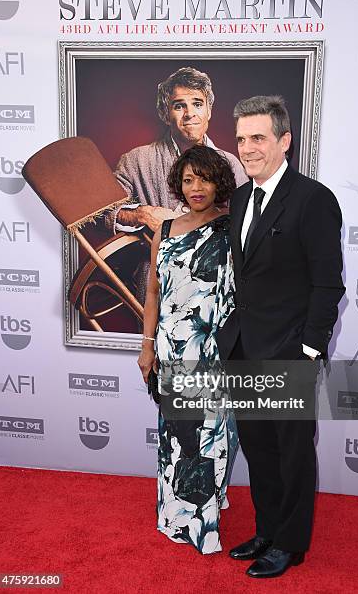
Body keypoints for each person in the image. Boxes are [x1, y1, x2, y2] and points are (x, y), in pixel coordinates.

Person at [216, 95, 345, 578]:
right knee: (258, 447)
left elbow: (328, 282)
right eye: (242, 139)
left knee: (291, 451)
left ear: (284, 141)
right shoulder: (241, 199)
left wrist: (308, 348)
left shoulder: (313, 199)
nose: (248, 149)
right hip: (245, 347)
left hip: (290, 350)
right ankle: (267, 530)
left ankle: (290, 544)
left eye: (259, 138)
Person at [137, 145, 239, 554]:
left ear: (220, 181)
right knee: (176, 436)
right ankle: (174, 512)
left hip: (210, 348)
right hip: (170, 347)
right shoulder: (165, 228)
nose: (196, 188)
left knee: (208, 435)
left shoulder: (232, 228)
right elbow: (152, 292)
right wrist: (147, 348)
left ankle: (202, 523)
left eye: (205, 178)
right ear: (179, 184)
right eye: (188, 179)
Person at [104, 67, 247, 305]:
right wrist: (142, 214)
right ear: (164, 113)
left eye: (197, 104)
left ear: (209, 111)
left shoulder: (231, 165)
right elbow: (103, 213)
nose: (190, 113)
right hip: (158, 287)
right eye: (179, 105)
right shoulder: (137, 161)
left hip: (218, 286)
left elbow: (248, 229)